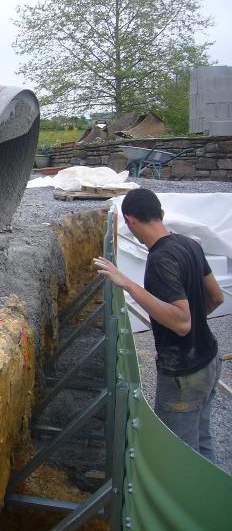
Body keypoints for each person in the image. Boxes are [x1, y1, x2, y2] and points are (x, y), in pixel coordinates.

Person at [93, 188, 224, 462]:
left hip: (183, 373)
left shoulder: (160, 259)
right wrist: (191, 321)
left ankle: (184, 502)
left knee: (179, 456)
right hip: (210, 359)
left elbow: (181, 322)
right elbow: (216, 296)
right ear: (160, 214)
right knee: (203, 442)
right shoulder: (189, 244)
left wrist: (126, 282)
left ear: (129, 221)